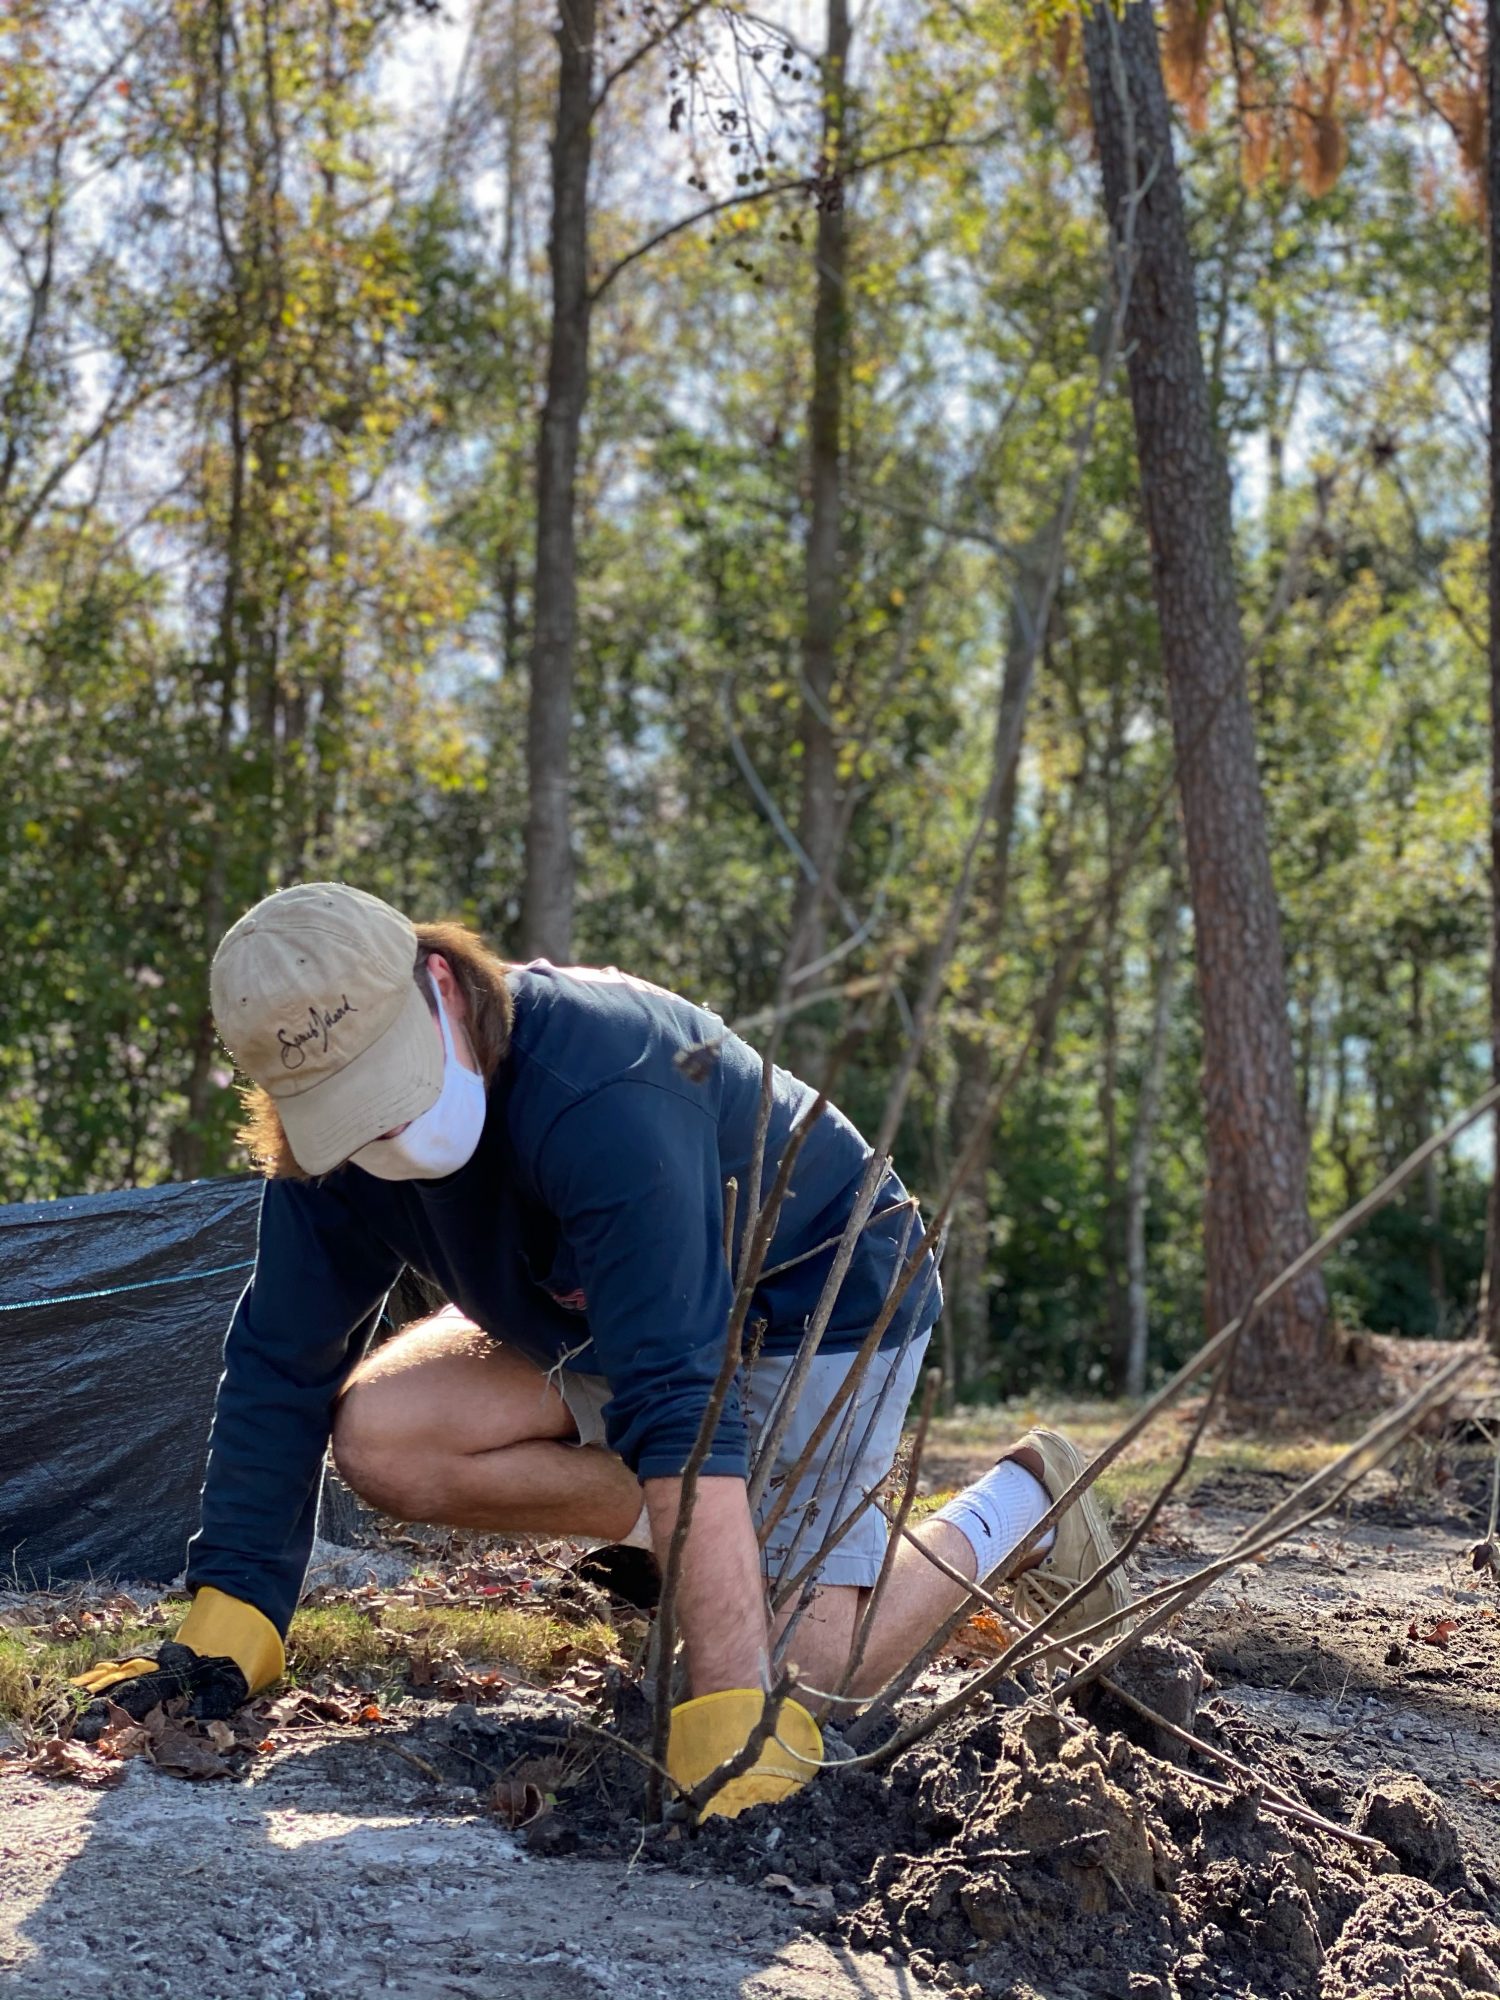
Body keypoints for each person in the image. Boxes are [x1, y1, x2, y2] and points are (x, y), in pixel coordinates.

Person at [77, 882, 1131, 1814]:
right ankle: (712, 1538)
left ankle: (1026, 1504)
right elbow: (281, 1354)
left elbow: (679, 1391)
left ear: (441, 983)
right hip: (591, 1309)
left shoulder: (603, 1084)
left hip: (814, 1295)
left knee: (803, 1680)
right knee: (388, 1437)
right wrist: (233, 1612)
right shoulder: (330, 1155)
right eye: (351, 1114)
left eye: (394, 1086)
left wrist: (729, 1705)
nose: (387, 1136)